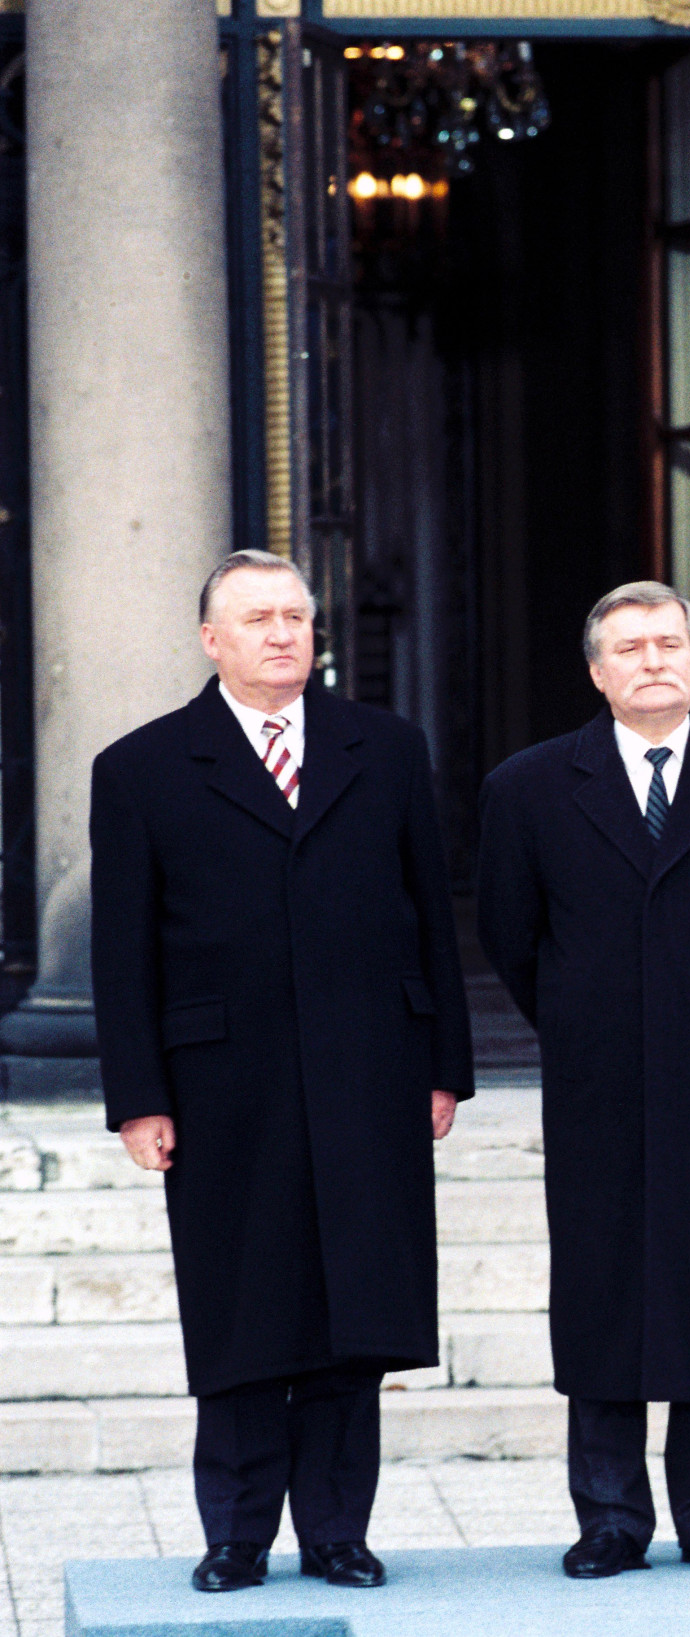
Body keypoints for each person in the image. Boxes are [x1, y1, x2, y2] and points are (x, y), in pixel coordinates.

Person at [90, 550, 474, 1594]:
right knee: (244, 1304)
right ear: (210, 639)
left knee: (358, 1303)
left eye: (296, 616)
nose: (281, 633)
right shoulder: (142, 766)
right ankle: (238, 1534)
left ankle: (339, 1531)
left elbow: (429, 915)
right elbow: (123, 952)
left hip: (371, 1067)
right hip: (223, 1081)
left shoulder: (385, 747)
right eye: (257, 618)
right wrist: (139, 1096)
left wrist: (444, 1064)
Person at [476, 582, 690, 1580]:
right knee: (600, 1281)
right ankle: (611, 1515)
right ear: (596, 672)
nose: (652, 661)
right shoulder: (529, 787)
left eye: (669, 642)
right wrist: (586, 1011)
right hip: (595, 1071)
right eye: (628, 648)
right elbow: (511, 932)